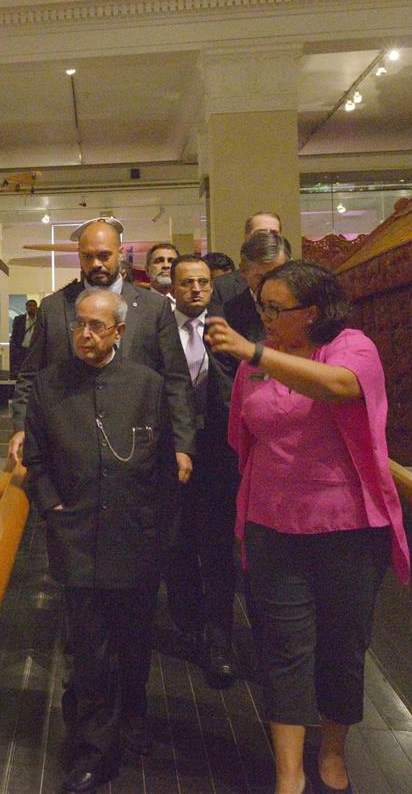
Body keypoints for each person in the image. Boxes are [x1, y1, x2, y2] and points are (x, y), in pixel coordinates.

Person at [205, 261, 409, 794]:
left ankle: (333, 751)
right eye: (261, 307)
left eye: (276, 308)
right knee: (283, 646)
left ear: (312, 312)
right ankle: (289, 771)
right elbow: (241, 432)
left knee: (343, 644)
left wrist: (255, 351)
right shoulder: (258, 363)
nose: (265, 317)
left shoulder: (349, 347)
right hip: (272, 523)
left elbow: (341, 387)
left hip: (346, 526)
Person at [22, 288, 178, 793]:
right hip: (77, 536)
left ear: (118, 332)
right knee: (88, 649)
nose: (84, 335)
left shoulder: (147, 385)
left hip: (136, 535)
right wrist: (53, 507)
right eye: (79, 326)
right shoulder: (48, 387)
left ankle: (132, 722)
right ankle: (92, 750)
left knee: (134, 643)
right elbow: (38, 461)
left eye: (96, 327)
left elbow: (164, 463)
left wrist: (157, 527)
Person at [8, 217, 195, 482]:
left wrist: (182, 444)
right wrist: (21, 427)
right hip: (69, 446)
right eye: (87, 256)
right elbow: (31, 375)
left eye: (104, 255)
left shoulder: (154, 308)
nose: (96, 264)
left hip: (138, 446)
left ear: (121, 252)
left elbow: (176, 379)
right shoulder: (54, 307)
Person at [163, 254, 239, 688]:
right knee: (177, 545)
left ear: (212, 287)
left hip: (217, 454)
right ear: (172, 287)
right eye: (187, 282)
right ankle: (186, 627)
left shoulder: (228, 332)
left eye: (203, 283)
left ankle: (219, 641)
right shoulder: (158, 330)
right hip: (171, 452)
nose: (195, 289)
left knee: (217, 551)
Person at [219, 230, 292, 343]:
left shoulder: (304, 308)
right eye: (261, 278)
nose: (269, 286)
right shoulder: (226, 315)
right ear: (243, 270)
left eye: (276, 276)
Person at [9, 298, 39, 379]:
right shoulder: (19, 319)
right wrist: (15, 349)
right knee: (20, 369)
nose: (32, 307)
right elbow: (15, 335)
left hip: (34, 350)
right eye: (29, 305)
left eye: (34, 306)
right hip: (22, 350)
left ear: (37, 307)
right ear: (26, 308)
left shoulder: (40, 320)